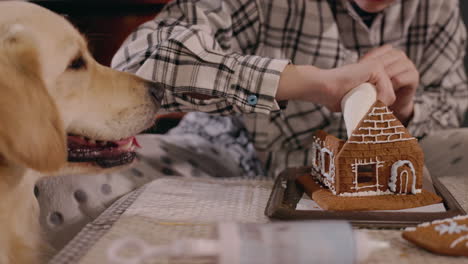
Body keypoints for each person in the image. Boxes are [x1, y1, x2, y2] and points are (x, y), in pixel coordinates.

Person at [112, 0, 467, 177]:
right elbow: (135, 65)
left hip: (371, 169)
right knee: (91, 176)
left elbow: (454, 101)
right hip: (227, 153)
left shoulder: (438, 8)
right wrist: (306, 83)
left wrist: (405, 111)